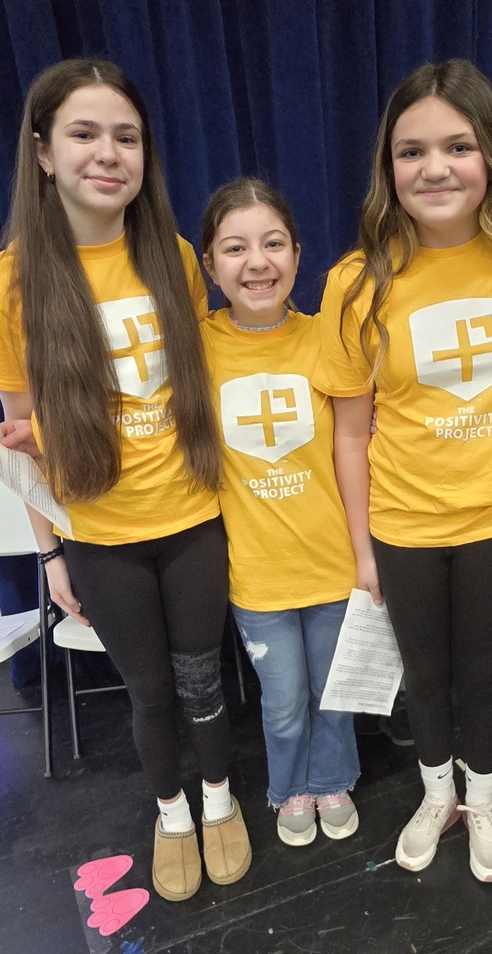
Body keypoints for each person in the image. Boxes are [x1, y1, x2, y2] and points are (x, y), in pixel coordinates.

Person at [0, 59, 251, 902]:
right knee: (147, 693)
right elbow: (21, 448)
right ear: (41, 151)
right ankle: (172, 810)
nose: (109, 153)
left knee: (202, 679)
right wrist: (53, 555)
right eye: (84, 133)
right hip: (100, 536)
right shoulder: (10, 286)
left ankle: (219, 798)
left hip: (191, 519)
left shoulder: (173, 256)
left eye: (127, 136)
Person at [313, 59, 492, 883]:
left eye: (457, 146)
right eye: (411, 152)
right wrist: (362, 549)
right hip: (403, 525)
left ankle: (480, 800)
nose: (435, 168)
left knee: (483, 670)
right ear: (388, 168)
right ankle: (434, 792)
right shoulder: (357, 282)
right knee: (426, 672)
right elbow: (349, 436)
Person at [200, 178, 360, 846]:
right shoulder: (194, 346)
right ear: (209, 265)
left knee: (334, 691)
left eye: (272, 244)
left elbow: (359, 447)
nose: (256, 262)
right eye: (235, 248)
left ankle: (331, 780)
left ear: (297, 254)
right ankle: (289, 786)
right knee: (286, 699)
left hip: (332, 564)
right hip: (258, 575)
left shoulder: (329, 336)